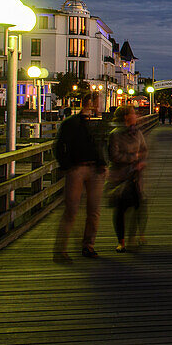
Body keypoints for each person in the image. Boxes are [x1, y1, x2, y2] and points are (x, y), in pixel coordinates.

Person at [53, 92, 107, 262]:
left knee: (94, 210)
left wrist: (102, 163)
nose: (100, 106)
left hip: (95, 170)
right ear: (89, 103)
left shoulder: (96, 123)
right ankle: (60, 250)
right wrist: (67, 165)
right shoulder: (72, 123)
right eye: (98, 102)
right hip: (77, 169)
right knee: (71, 210)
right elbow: (59, 146)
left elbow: (100, 145)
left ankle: (88, 246)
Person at [106, 105, 148, 252]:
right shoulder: (115, 134)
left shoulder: (137, 133)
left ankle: (134, 236)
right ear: (126, 117)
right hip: (120, 176)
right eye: (133, 113)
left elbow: (144, 149)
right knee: (120, 208)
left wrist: (141, 160)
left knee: (139, 206)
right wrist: (133, 158)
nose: (136, 115)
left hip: (135, 176)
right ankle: (121, 241)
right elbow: (114, 156)